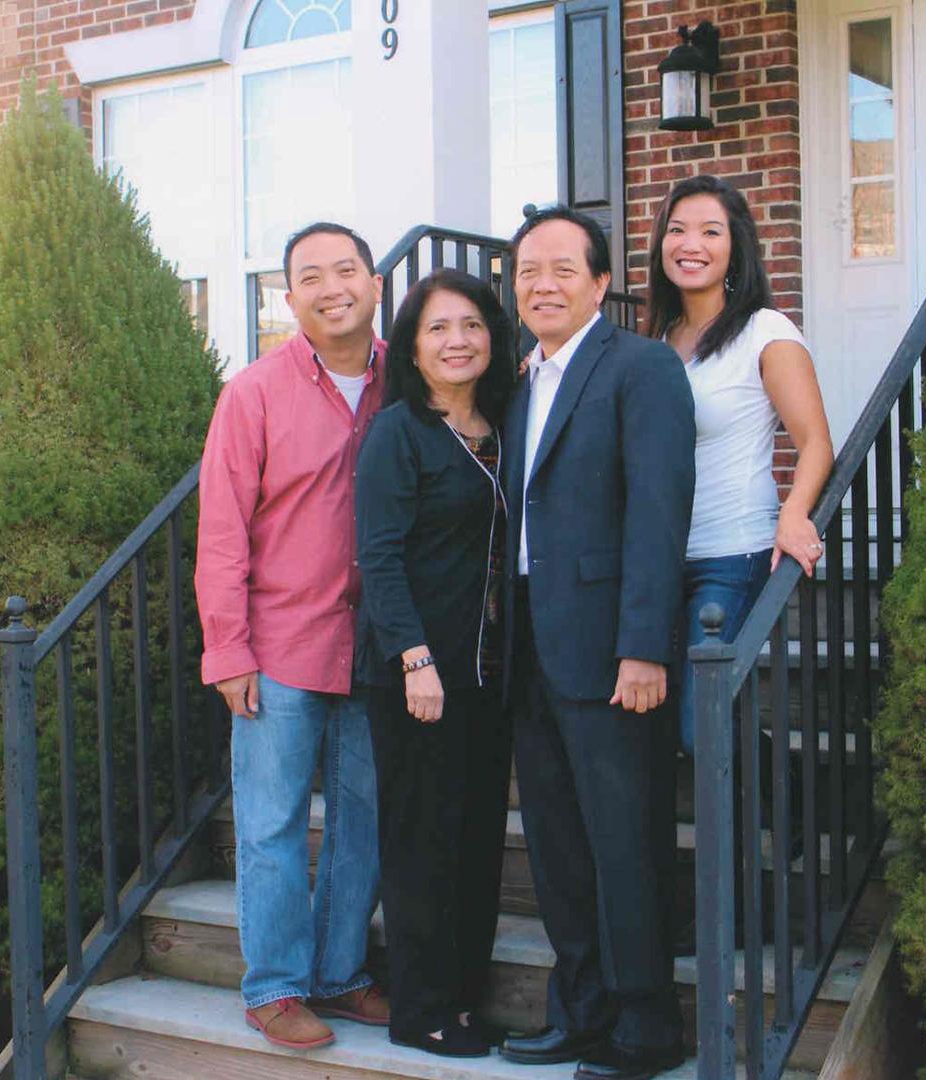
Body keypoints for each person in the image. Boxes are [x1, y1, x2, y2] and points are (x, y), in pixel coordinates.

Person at [496, 206, 695, 1080]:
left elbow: (659, 512)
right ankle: (576, 1012)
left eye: (562, 269)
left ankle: (645, 1028)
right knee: (557, 845)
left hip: (612, 648)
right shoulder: (515, 383)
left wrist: (644, 645)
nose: (542, 283)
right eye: (528, 270)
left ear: (603, 283)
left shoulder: (641, 368)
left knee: (624, 841)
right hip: (530, 646)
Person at [194, 221, 392, 1051]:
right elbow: (222, 530)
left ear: (375, 283)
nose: (330, 286)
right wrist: (228, 648)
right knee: (272, 821)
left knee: (365, 815)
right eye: (310, 275)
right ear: (289, 296)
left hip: (377, 643)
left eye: (346, 269)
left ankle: (340, 972)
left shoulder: (407, 382)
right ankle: (274, 985)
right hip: (278, 644)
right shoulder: (255, 392)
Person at [646, 174, 835, 955]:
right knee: (680, 730)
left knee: (702, 722)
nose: (692, 245)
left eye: (711, 231)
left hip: (734, 553)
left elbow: (815, 439)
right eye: (679, 229)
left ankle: (787, 821)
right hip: (661, 560)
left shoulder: (765, 330)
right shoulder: (654, 344)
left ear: (736, 248)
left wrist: (795, 513)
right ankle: (772, 830)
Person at [355, 269, 520, 1058]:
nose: (457, 340)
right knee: (423, 842)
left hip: (487, 672)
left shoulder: (502, 424)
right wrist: (416, 658)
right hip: (416, 674)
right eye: (437, 328)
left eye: (471, 326)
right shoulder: (398, 433)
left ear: (492, 337)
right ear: (412, 350)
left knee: (477, 838)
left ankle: (463, 1000)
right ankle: (419, 1009)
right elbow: (379, 556)